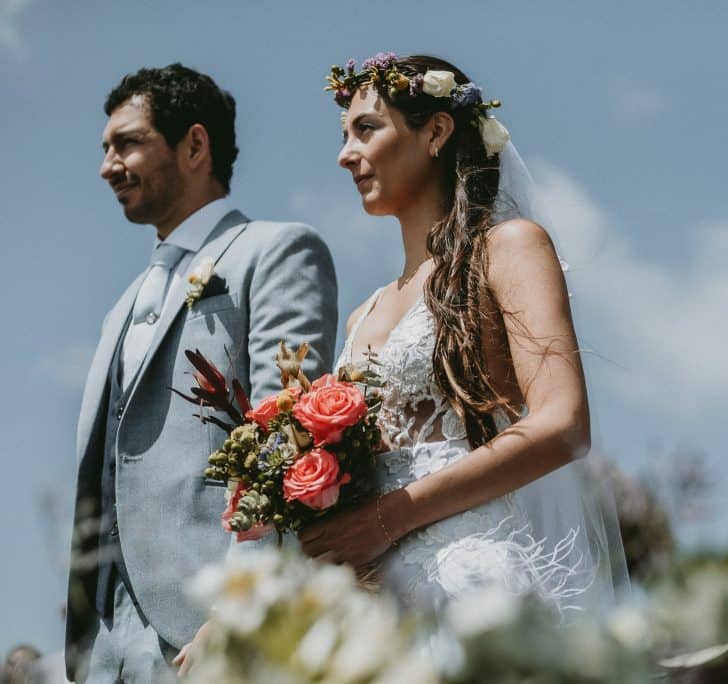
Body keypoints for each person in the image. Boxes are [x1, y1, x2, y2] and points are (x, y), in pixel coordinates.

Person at [298, 53, 627, 615]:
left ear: (436, 131)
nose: (344, 154)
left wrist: (388, 518)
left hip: (468, 578)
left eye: (366, 129)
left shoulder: (509, 248)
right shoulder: (362, 315)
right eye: (344, 135)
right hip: (373, 596)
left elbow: (563, 423)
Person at [65, 63, 338, 682]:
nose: (109, 165)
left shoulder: (275, 251)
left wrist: (248, 599)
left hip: (208, 623)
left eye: (128, 143)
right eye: (105, 149)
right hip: (102, 641)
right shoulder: (123, 303)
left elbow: (288, 428)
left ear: (194, 144)